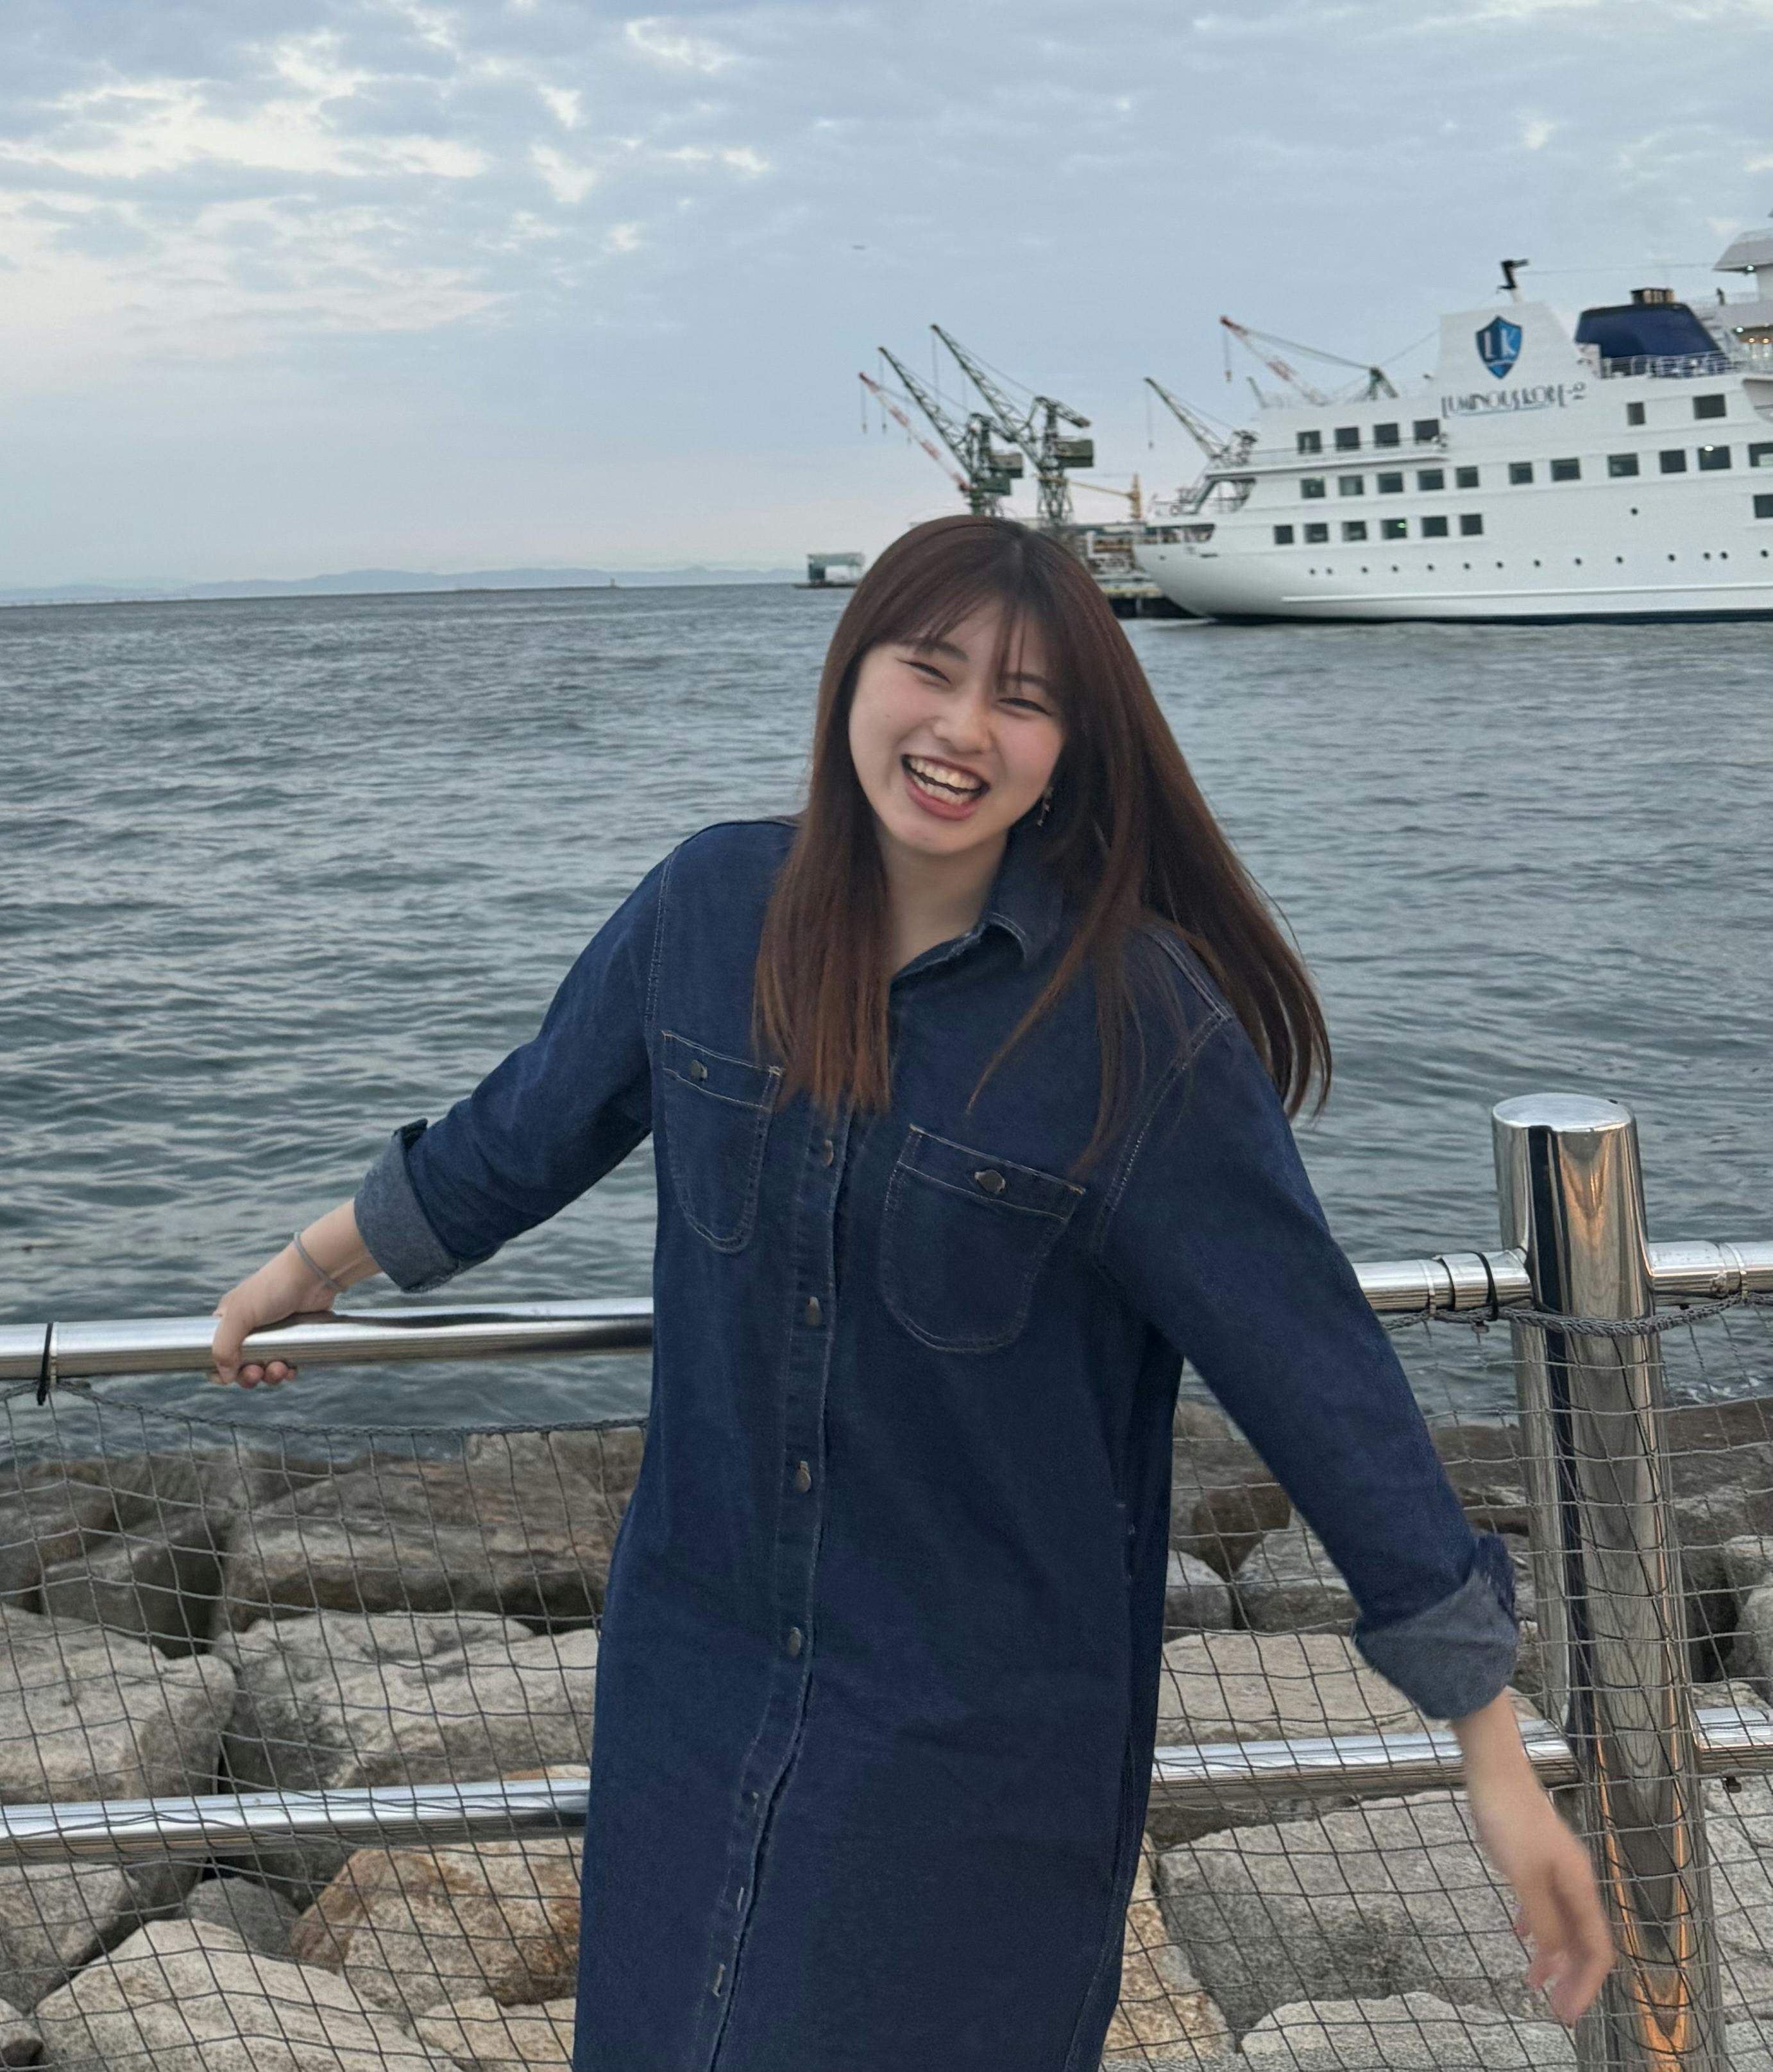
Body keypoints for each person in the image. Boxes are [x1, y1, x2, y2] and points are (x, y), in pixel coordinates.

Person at [208, 514, 1610, 2069]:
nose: (961, 729)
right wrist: (305, 1269)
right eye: (928, 669)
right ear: (852, 674)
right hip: (696, 1673)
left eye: (1022, 699)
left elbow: (1315, 1372)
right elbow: (521, 1133)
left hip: (969, 1740)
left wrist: (1492, 1747)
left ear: (1068, 752)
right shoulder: (708, 911)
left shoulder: (1135, 1025)